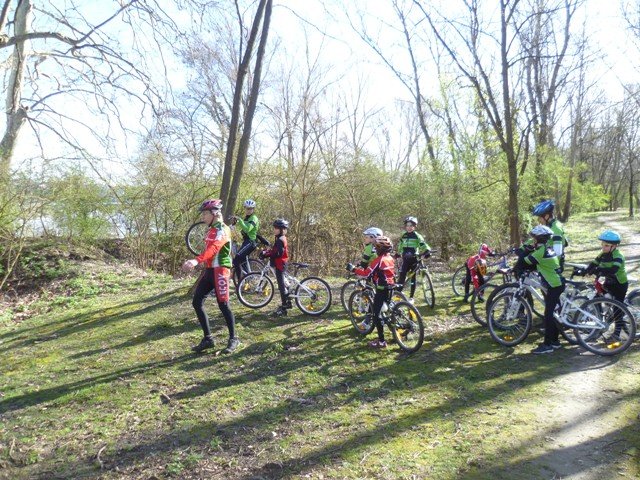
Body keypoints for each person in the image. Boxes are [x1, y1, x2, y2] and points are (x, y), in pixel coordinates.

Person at [182, 199, 240, 354]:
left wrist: (196, 260)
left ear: (214, 214)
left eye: (205, 214)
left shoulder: (222, 229)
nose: (203, 217)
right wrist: (201, 261)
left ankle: (234, 338)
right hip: (209, 270)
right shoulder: (211, 229)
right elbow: (208, 251)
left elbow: (214, 249)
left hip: (221, 270)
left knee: (223, 305)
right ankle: (208, 339)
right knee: (197, 301)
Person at [517, 225, 565, 355]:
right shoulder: (546, 249)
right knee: (553, 314)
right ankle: (555, 341)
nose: (532, 241)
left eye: (534, 239)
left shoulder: (540, 252)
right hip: (557, 283)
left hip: (554, 286)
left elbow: (524, 262)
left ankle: (547, 345)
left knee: (548, 315)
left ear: (538, 239)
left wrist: (524, 252)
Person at [347, 236, 396, 349]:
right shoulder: (390, 258)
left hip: (381, 288)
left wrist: (353, 269)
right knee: (388, 309)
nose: (374, 249)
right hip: (391, 286)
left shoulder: (378, 261)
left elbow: (366, 273)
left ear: (379, 249)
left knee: (376, 315)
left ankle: (381, 341)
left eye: (375, 247)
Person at [396, 216, 431, 302]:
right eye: (407, 225)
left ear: (414, 226)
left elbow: (423, 244)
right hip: (405, 259)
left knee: (413, 278)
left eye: (411, 225)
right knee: (402, 276)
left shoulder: (417, 236)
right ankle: (397, 295)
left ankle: (411, 297)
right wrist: (398, 253)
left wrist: (427, 250)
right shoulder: (403, 235)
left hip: (414, 259)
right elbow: (400, 245)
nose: (409, 227)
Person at [261, 218, 290, 317]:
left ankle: (284, 307)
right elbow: (276, 251)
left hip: (280, 264)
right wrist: (268, 252)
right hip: (281, 263)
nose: (274, 229)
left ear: (281, 229)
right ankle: (288, 302)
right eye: (274, 227)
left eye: (276, 228)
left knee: (281, 286)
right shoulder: (281, 238)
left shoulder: (280, 240)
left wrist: (267, 254)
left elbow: (278, 253)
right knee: (284, 284)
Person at [531, 199, 568, 270]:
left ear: (547, 216)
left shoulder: (556, 228)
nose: (538, 220)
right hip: (547, 261)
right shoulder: (548, 227)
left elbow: (558, 252)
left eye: (539, 217)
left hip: (553, 266)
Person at [230, 199, 260, 285]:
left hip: (251, 242)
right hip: (246, 242)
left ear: (253, 209)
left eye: (250, 209)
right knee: (242, 262)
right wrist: (234, 225)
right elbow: (242, 230)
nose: (248, 210)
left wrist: (240, 220)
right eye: (247, 208)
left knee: (236, 260)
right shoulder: (247, 218)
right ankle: (248, 280)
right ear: (245, 208)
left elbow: (247, 229)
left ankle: (240, 282)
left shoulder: (254, 218)